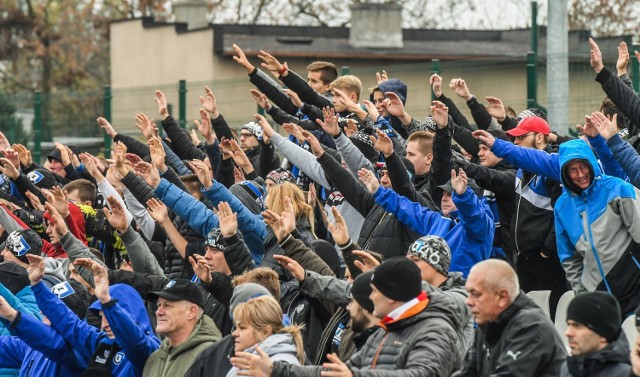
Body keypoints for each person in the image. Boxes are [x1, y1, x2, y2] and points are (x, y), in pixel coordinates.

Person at [231, 257, 462, 376]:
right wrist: (275, 370)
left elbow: (425, 374)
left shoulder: (436, 328)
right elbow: (334, 373)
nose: (368, 298)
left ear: (391, 297)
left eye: (374, 291)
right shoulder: (383, 332)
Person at [359, 166, 494, 278]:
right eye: (443, 194)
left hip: (458, 294)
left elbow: (474, 216)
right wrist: (379, 191)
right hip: (430, 289)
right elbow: (407, 208)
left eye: (450, 194)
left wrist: (464, 196)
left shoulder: (481, 225)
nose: (444, 198)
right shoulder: (438, 220)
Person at [453, 259, 566, 376]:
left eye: (475, 294)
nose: (468, 301)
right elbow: (467, 373)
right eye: (468, 293)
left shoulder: (531, 327)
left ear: (502, 297)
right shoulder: (487, 323)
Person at [143, 278, 222, 377]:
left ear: (191, 312)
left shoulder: (212, 356)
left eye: (167, 306)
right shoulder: (154, 359)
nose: (159, 312)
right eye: (159, 305)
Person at [227, 295, 304, 376]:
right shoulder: (250, 360)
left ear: (265, 332)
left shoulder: (281, 364)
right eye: (236, 327)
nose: (234, 333)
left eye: (242, 327)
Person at [561, 291, 631, 376]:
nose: (567, 333)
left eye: (577, 326)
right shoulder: (568, 368)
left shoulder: (626, 374)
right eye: (569, 325)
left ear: (603, 334)